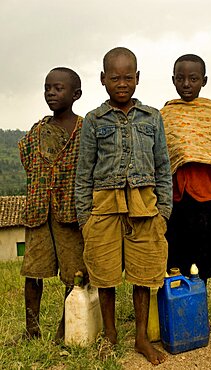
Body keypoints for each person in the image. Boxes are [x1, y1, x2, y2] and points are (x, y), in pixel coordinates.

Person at [75, 47, 172, 365]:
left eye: (128, 77)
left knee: (144, 275)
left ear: (138, 78)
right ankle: (111, 334)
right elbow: (84, 172)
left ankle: (141, 337)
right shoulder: (93, 121)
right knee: (105, 275)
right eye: (114, 77)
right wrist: (85, 218)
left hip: (145, 207)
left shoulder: (152, 117)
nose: (122, 83)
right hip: (104, 207)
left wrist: (164, 213)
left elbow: (162, 168)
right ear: (103, 79)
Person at [18, 67, 87, 341]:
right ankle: (31, 329)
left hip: (70, 215)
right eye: (48, 88)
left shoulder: (85, 130)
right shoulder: (37, 131)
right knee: (33, 273)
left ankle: (66, 327)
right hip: (38, 212)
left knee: (75, 274)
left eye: (58, 88)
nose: (51, 93)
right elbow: (26, 158)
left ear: (76, 94)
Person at [160, 54, 211, 284]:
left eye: (193, 78)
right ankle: (176, 314)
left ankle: (199, 313)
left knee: (204, 261)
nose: (186, 84)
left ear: (204, 80)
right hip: (175, 197)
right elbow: (162, 155)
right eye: (180, 78)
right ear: (173, 80)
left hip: (205, 194)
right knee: (175, 259)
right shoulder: (166, 114)